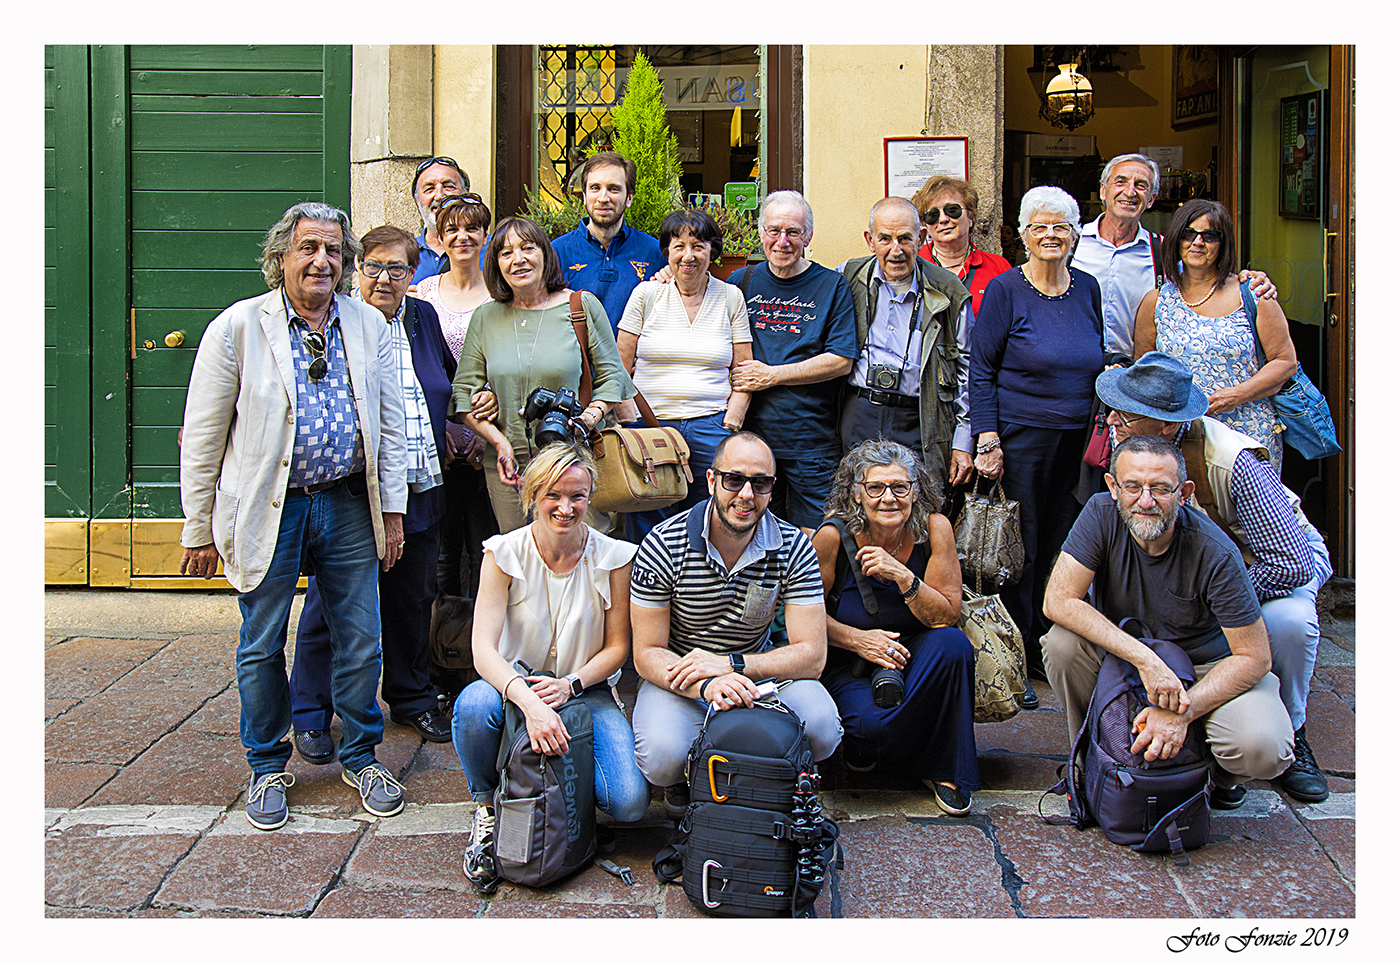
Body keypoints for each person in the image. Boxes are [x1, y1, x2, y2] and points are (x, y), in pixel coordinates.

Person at [178, 202, 409, 830]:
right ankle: (266, 767)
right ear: (281, 256)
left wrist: (392, 510)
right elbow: (202, 433)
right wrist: (197, 527)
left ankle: (361, 756)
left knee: (362, 639)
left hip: (346, 503)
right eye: (308, 248)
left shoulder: (368, 324)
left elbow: (389, 424)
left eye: (333, 251)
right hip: (268, 505)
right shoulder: (238, 327)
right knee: (261, 641)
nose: (322, 262)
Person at [1095, 352, 1333, 803]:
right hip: (1207, 572)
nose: (1112, 420)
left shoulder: (1233, 462)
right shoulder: (1130, 450)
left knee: (1288, 626)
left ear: (1165, 425)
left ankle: (1294, 731)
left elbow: (1292, 563)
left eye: (1124, 415)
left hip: (1274, 564)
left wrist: (1219, 598)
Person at [1042, 434, 1295, 810]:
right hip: (1129, 656)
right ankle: (1092, 757)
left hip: (1204, 666)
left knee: (1263, 747)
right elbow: (1058, 600)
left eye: (1161, 489)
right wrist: (1146, 659)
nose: (1145, 501)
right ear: (1113, 487)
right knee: (1061, 644)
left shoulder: (1215, 551)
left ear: (1185, 492)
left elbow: (1254, 657)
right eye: (1133, 486)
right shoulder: (1099, 513)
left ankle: (1210, 774)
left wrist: (1181, 712)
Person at [288, 225, 458, 758]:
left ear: (415, 274)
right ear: (356, 271)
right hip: (356, 489)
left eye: (398, 269)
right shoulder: (341, 324)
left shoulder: (423, 318)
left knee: (412, 599)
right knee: (329, 605)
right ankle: (312, 712)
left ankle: (409, 695)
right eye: (374, 267)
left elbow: (448, 383)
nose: (385, 278)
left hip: (421, 483)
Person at [451, 444, 651, 892]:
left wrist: (570, 685)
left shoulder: (614, 556)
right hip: (513, 683)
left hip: (586, 688)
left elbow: (619, 648)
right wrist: (529, 702)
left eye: (577, 496)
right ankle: (488, 807)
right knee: (471, 707)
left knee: (631, 803)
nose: (566, 507)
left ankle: (561, 802)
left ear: (590, 496)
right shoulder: (502, 554)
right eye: (554, 495)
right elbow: (483, 651)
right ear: (533, 494)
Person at [630, 431, 844, 817]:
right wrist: (709, 682)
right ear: (712, 480)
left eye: (760, 483)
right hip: (682, 674)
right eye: (734, 480)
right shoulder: (664, 543)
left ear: (772, 489)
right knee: (660, 759)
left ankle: (764, 776)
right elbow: (647, 654)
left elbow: (812, 656)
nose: (746, 494)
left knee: (824, 730)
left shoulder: (793, 546)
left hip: (754, 669)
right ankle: (688, 777)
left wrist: (734, 666)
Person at [969, 186, 1105, 710]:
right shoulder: (1006, 290)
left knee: (1065, 543)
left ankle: (1055, 649)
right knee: (1016, 551)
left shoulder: (1087, 288)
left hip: (1079, 440)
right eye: (1039, 226)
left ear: (1074, 234)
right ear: (1022, 233)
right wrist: (987, 437)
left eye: (1061, 226)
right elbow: (981, 368)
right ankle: (1014, 661)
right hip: (1021, 437)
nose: (1051, 235)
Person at [813, 440, 979, 815]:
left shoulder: (935, 528)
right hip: (851, 661)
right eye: (875, 488)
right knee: (870, 730)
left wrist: (904, 577)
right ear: (857, 494)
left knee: (953, 645)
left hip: (916, 657)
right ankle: (885, 741)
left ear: (915, 492)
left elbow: (947, 615)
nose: (888, 498)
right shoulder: (833, 536)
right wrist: (858, 641)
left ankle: (946, 770)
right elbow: (805, 617)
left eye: (900, 487)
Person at [450, 216, 637, 534]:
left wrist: (588, 419)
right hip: (507, 468)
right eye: (506, 253)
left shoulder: (580, 306)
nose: (518, 259)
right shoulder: (486, 317)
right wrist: (499, 442)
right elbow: (460, 394)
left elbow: (614, 377)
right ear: (496, 264)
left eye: (527, 248)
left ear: (545, 255)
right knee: (521, 564)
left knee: (578, 560)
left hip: (572, 461)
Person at [616, 208, 753, 542]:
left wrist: (730, 423)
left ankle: (698, 590)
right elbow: (618, 363)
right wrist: (629, 417)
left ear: (712, 252)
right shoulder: (647, 294)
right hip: (651, 426)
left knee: (711, 519)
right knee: (647, 518)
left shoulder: (730, 296)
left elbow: (745, 370)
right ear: (667, 252)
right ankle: (645, 590)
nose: (688, 256)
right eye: (679, 246)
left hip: (710, 425)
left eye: (698, 245)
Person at [728, 190, 860, 532]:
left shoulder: (832, 285)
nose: (782, 241)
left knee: (819, 537)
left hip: (811, 442)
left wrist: (772, 375)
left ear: (809, 236)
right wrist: (664, 277)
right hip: (751, 440)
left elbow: (841, 360)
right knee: (752, 533)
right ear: (760, 233)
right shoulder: (739, 282)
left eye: (793, 232)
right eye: (774, 231)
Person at [1133, 199, 1297, 466]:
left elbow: (1284, 361)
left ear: (1223, 244)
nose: (1197, 242)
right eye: (1188, 233)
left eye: (1209, 235)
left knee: (1248, 507)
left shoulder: (1254, 295)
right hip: (1179, 435)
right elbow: (1146, 371)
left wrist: (1238, 394)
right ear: (1175, 239)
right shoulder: (1156, 301)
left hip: (1247, 433)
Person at [1070, 153, 1277, 356]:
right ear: (1103, 191)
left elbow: (1205, 282)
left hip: (1132, 373)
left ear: (1151, 199)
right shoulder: (1071, 245)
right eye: (1120, 182)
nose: (1130, 192)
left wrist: (1249, 281)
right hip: (1075, 372)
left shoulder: (1164, 250)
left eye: (1141, 185)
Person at [837, 196, 974, 493]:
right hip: (859, 411)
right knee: (855, 502)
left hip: (920, 417)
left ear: (922, 238)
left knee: (914, 506)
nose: (895, 250)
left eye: (905, 239)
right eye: (885, 239)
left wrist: (963, 442)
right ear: (870, 240)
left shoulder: (949, 290)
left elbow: (967, 371)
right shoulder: (846, 277)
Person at [414, 193, 499, 598]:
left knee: (486, 545)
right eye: (453, 230)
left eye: (472, 228)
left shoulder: (501, 294)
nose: (462, 237)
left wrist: (487, 435)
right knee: (443, 551)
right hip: (440, 438)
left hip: (490, 434)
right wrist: (436, 431)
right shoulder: (422, 294)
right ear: (439, 238)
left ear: (485, 235)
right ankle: (441, 646)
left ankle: (479, 648)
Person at [552, 151, 668, 332]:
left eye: (613, 188)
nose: (603, 198)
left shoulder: (653, 252)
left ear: (629, 198)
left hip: (633, 359)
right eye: (595, 188)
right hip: (577, 359)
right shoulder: (557, 252)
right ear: (584, 196)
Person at [911, 174, 1012, 318]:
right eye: (932, 215)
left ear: (971, 217)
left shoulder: (998, 267)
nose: (943, 219)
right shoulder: (913, 265)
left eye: (952, 210)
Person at [409, 156, 470, 284]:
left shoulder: (493, 250)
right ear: (417, 201)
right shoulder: (404, 254)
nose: (439, 196)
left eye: (448, 186)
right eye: (429, 189)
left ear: (466, 194)